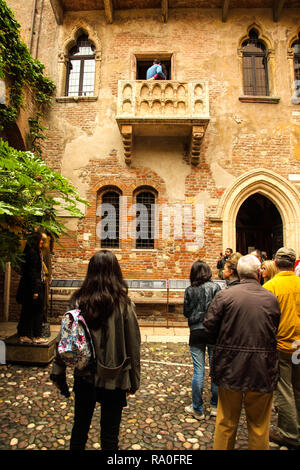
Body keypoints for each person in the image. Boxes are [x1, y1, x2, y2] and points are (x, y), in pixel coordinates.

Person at [51, 250, 141, 450]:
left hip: (85, 376)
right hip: (115, 378)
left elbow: (64, 340)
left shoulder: (78, 302)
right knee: (110, 437)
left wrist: (58, 373)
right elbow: (134, 346)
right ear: (116, 272)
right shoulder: (124, 304)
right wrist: (134, 381)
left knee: (79, 430)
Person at [203, 254, 281, 450]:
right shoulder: (271, 298)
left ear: (237, 272)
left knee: (226, 422)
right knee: (259, 426)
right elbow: (275, 330)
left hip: (230, 367)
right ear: (258, 274)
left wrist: (222, 346)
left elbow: (209, 328)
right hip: (262, 368)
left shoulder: (224, 296)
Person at [263, 247, 300, 449]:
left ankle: (289, 434)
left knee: (284, 389)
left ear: (275, 263)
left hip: (283, 346)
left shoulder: (271, 287)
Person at [183, 260, 221, 419]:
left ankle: (197, 408)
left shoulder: (190, 290)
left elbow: (186, 311)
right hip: (213, 331)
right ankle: (215, 406)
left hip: (196, 331)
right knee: (215, 370)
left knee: (198, 370)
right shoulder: (215, 288)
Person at [16, 231, 47, 344]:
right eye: (41, 240)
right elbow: (32, 273)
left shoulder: (36, 252)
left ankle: (28, 335)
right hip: (33, 288)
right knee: (33, 311)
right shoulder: (32, 253)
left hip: (35, 286)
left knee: (31, 311)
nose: (42, 242)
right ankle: (33, 336)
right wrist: (35, 291)